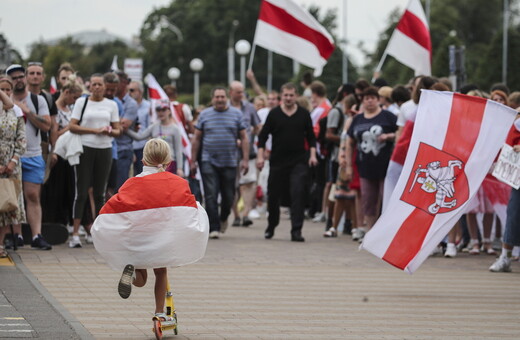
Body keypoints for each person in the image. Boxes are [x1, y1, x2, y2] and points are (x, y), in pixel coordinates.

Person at [91, 138, 209, 319]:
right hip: (161, 237)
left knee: (141, 275)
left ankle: (131, 277)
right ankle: (159, 313)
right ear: (169, 161)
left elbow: (116, 206)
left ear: (143, 160)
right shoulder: (177, 182)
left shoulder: (132, 183)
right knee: (161, 272)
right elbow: (187, 206)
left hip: (139, 236)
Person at [257, 82, 318, 242]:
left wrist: (313, 155)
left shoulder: (304, 114)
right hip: (278, 161)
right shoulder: (274, 114)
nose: (289, 98)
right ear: (281, 97)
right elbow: (262, 137)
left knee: (298, 193)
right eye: (286, 95)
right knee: (273, 195)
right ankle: (271, 225)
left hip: (299, 161)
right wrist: (260, 156)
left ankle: (296, 230)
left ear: (296, 96)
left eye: (291, 95)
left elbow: (311, 137)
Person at [68, 73, 121, 248]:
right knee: (81, 191)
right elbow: (72, 126)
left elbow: (118, 129)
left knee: (100, 192)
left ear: (105, 87)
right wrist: (94, 131)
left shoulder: (111, 104)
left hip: (105, 148)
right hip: (86, 147)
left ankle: (97, 233)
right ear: (90, 86)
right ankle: (75, 233)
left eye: (100, 85)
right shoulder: (81, 102)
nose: (97, 87)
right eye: (95, 84)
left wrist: (109, 131)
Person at [190, 87, 249, 239]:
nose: (220, 99)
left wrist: (246, 159)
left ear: (226, 97)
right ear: (212, 99)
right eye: (217, 97)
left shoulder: (236, 114)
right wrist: (193, 161)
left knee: (229, 196)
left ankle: (223, 218)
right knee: (211, 194)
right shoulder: (205, 115)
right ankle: (214, 227)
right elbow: (196, 139)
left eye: (222, 97)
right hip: (208, 160)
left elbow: (244, 137)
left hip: (229, 161)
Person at [7, 64, 52, 250]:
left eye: (21, 76)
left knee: (32, 195)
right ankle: (15, 234)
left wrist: (26, 110)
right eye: (14, 77)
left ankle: (36, 235)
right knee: (13, 197)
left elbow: (47, 126)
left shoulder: (37, 99)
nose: (19, 80)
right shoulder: (5, 98)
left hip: (33, 154)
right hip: (11, 156)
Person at [345, 86, 397, 241]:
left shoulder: (388, 117)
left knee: (386, 199)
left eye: (373, 98)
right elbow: (349, 142)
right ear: (362, 100)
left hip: (386, 166)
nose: (369, 101)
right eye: (366, 98)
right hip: (365, 166)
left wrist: (388, 136)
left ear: (378, 100)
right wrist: (348, 165)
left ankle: (387, 233)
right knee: (368, 200)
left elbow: (400, 134)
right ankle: (371, 232)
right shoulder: (358, 119)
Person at [0, 79, 26, 257]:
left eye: (7, 89)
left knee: (7, 204)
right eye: (1, 89)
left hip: (11, 164)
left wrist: (12, 162)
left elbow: (22, 139)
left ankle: (0, 243)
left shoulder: (16, 111)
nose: (5, 92)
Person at [126, 100, 184, 177]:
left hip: (170, 163)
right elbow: (139, 137)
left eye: (163, 110)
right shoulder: (154, 126)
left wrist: (179, 168)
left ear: (169, 111)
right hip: (154, 163)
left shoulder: (175, 129)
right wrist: (125, 130)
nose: (161, 112)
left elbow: (178, 149)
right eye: (158, 110)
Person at [127, 80, 151, 175]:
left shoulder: (148, 107)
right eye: (128, 90)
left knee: (141, 175)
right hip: (128, 145)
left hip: (142, 147)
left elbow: (150, 128)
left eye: (132, 90)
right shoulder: (126, 105)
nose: (129, 93)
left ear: (140, 91)